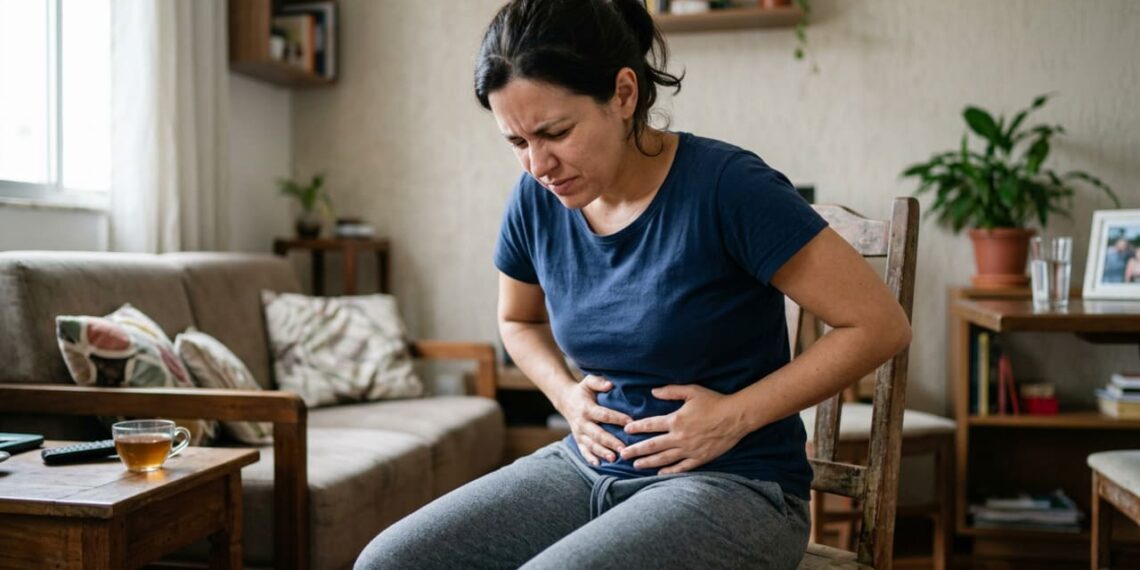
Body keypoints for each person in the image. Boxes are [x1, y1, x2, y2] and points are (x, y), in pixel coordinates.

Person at [355, 1, 910, 568]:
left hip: (735, 486)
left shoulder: (728, 187)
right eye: (517, 142)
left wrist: (732, 416)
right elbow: (518, 319)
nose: (537, 165)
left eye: (555, 132)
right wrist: (567, 398)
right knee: (390, 562)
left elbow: (878, 325)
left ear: (623, 95)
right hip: (586, 467)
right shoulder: (536, 199)